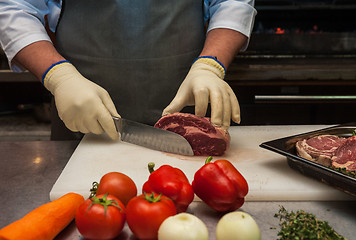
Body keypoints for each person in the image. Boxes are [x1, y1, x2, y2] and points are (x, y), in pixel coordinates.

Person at [0, 0, 257, 140]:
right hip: (82, 120)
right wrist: (59, 77)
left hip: (188, 119)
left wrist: (209, 66)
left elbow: (232, 2)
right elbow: (14, 7)